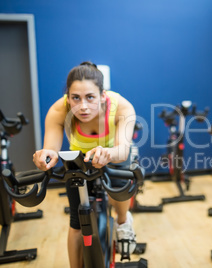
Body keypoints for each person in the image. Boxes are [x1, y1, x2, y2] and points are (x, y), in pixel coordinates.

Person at [33, 61, 137, 267]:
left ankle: (123, 222)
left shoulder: (122, 107)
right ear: (68, 98)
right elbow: (50, 149)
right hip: (81, 159)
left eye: (90, 97)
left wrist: (107, 153)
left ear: (102, 96)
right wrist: (45, 156)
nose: (83, 106)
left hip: (113, 153)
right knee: (77, 221)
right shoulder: (59, 110)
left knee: (120, 184)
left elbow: (123, 150)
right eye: (75, 98)